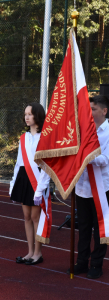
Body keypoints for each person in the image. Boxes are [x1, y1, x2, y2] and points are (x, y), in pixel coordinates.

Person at [67, 95, 109, 279]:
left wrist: (85, 155)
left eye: (93, 109)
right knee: (83, 227)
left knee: (100, 228)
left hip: (101, 189)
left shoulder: (108, 132)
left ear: (104, 111)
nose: (90, 113)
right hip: (82, 187)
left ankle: (97, 264)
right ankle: (82, 262)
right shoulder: (83, 130)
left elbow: (105, 160)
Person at [9, 103, 50, 265]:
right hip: (24, 178)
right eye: (25, 114)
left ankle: (38, 253)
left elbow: (47, 165)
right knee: (26, 216)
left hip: (39, 179)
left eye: (30, 114)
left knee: (35, 217)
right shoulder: (24, 137)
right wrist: (13, 184)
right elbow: (19, 162)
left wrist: (41, 188)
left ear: (38, 116)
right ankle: (30, 252)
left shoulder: (45, 137)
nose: (26, 117)